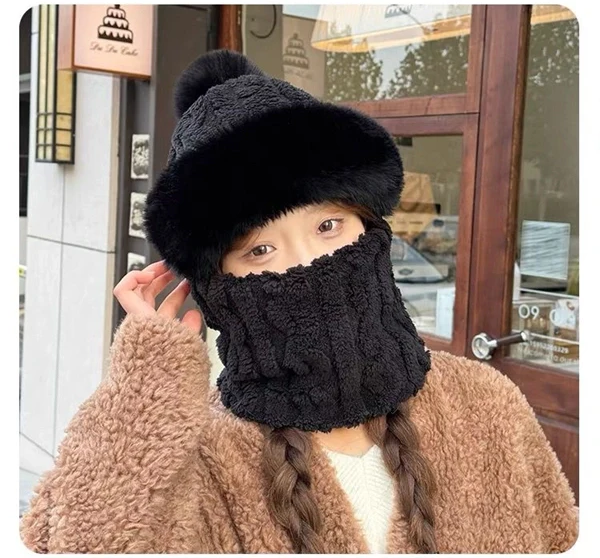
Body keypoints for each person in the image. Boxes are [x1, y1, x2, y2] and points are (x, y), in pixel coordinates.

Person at [20, 50, 578, 554]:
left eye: (328, 226)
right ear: (215, 287)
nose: (307, 263)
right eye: (259, 250)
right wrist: (148, 380)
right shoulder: (197, 457)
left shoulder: (486, 406)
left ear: (370, 227)